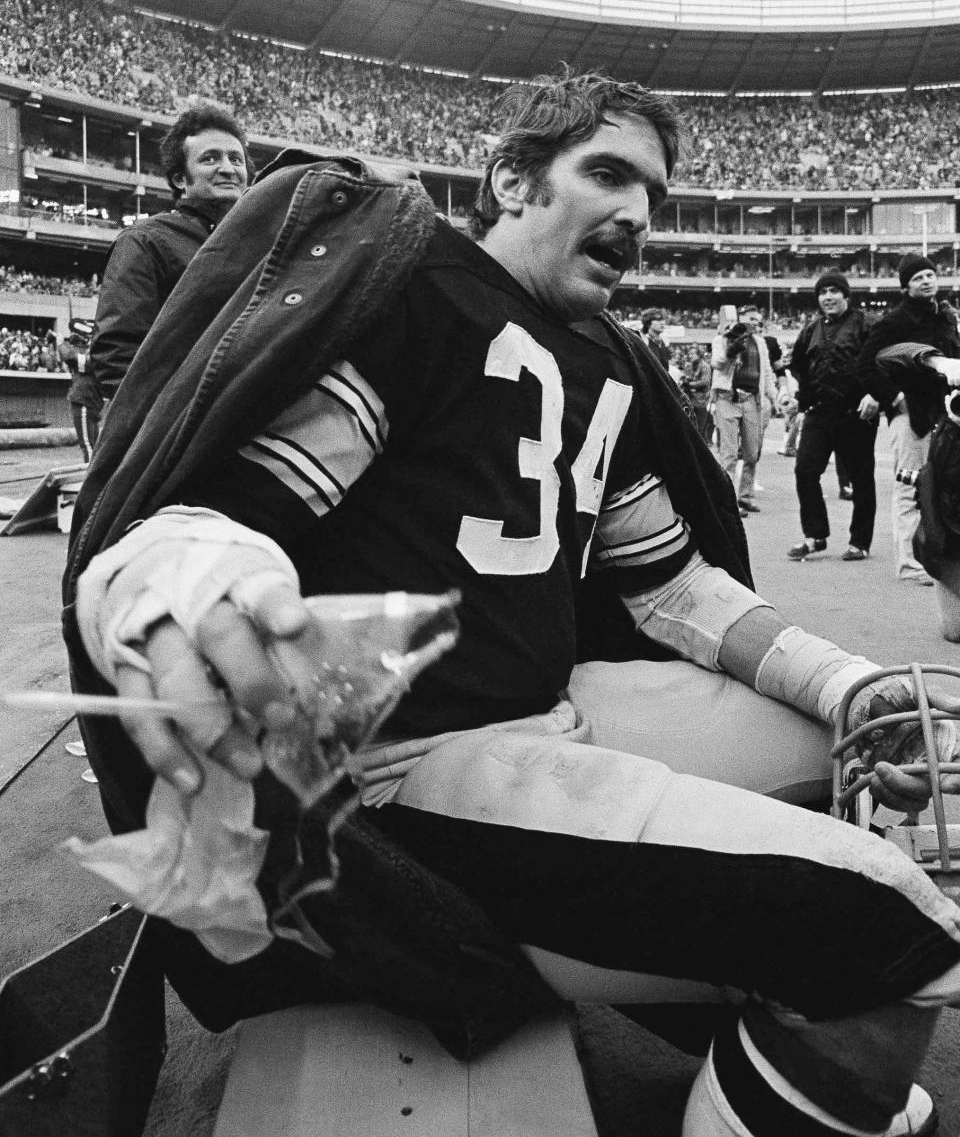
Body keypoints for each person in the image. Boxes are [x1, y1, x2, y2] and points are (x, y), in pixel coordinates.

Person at [65, 73, 960, 1137]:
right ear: (509, 180)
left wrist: (846, 680)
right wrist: (196, 586)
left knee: (873, 745)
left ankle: (760, 1000)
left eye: (656, 195)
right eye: (608, 173)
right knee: (893, 931)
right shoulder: (414, 290)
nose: (638, 211)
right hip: (403, 760)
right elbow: (223, 510)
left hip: (549, 706)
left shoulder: (608, 355)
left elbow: (669, 582)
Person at [89, 101, 252, 406]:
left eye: (236, 158)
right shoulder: (144, 242)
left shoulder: (264, 242)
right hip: (185, 427)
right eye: (210, 159)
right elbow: (117, 355)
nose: (228, 169)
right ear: (180, 179)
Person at [855, 253, 960, 586]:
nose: (926, 281)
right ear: (906, 286)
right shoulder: (893, 321)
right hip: (910, 414)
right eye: (918, 278)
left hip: (946, 413)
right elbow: (865, 365)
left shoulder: (945, 317)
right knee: (908, 486)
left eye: (930, 274)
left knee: (943, 485)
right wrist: (893, 397)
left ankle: (936, 554)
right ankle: (907, 562)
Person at [786, 271, 877, 562]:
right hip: (820, 412)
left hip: (856, 413)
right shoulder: (810, 330)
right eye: (823, 292)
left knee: (861, 478)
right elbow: (799, 367)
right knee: (805, 471)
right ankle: (815, 535)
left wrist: (874, 393)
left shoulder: (866, 323)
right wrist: (801, 406)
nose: (828, 297)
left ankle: (860, 541)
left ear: (846, 295)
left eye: (834, 291)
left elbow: (882, 361)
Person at [709, 303, 777, 516]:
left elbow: (766, 373)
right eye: (751, 319)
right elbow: (717, 364)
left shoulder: (761, 343)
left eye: (757, 320)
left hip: (751, 400)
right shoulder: (722, 339)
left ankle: (746, 496)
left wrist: (773, 398)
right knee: (728, 454)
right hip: (727, 398)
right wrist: (732, 350)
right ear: (741, 319)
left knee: (751, 452)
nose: (755, 323)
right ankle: (727, 501)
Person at [59, 317, 102, 463]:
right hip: (88, 398)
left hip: (86, 399)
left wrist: (62, 343)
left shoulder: (93, 353)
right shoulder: (78, 350)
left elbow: (76, 359)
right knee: (91, 444)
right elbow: (70, 356)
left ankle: (91, 480)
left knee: (89, 445)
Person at [639, 306, 672, 372]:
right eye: (658, 320)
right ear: (648, 323)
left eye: (663, 320)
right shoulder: (643, 342)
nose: (662, 323)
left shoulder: (662, 342)